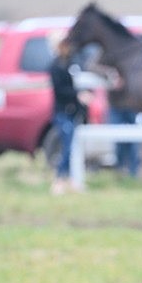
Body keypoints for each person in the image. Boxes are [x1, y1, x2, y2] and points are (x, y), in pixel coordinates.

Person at [48, 37, 90, 194]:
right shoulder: (55, 67)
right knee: (66, 147)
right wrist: (78, 95)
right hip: (62, 112)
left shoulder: (72, 64)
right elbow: (60, 91)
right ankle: (59, 179)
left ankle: (71, 180)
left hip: (73, 112)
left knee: (72, 147)